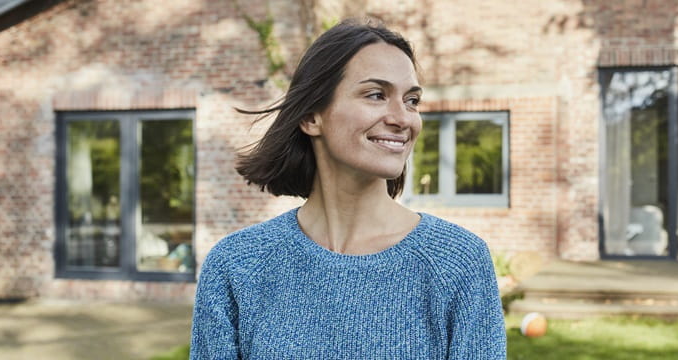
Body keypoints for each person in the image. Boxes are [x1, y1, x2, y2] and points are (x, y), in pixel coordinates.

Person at [190, 19, 506, 359]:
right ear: (312, 117)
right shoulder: (238, 265)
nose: (404, 118)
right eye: (376, 95)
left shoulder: (458, 262)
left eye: (412, 100)